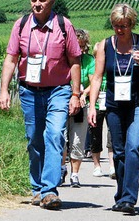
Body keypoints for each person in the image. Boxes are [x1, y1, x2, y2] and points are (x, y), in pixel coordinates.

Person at [0, 0, 82, 210]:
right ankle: (36, 188)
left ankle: (49, 190)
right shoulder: (21, 25)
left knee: (54, 135)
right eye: (33, 0)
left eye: (42, 0)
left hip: (58, 90)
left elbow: (75, 61)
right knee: (34, 138)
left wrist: (75, 94)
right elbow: (11, 59)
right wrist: (3, 89)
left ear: (51, 2)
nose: (37, 4)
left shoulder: (64, 26)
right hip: (29, 91)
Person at [87, 3, 139, 215]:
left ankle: (129, 198)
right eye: (117, 25)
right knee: (118, 152)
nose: (120, 30)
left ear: (132, 24)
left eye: (125, 26)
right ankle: (121, 194)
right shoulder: (105, 46)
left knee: (133, 146)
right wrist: (92, 106)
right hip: (114, 104)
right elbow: (98, 77)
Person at [62, 29, 94, 188]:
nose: (79, 50)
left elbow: (94, 82)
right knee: (61, 139)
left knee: (77, 140)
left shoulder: (89, 61)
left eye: (82, 46)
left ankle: (75, 174)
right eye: (76, 46)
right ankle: (61, 169)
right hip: (62, 102)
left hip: (81, 103)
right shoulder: (62, 59)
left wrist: (84, 94)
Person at [87, 41, 114, 179]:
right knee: (95, 135)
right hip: (97, 106)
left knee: (112, 135)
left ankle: (112, 166)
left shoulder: (111, 68)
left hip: (110, 104)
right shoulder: (94, 68)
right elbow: (91, 84)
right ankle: (97, 165)